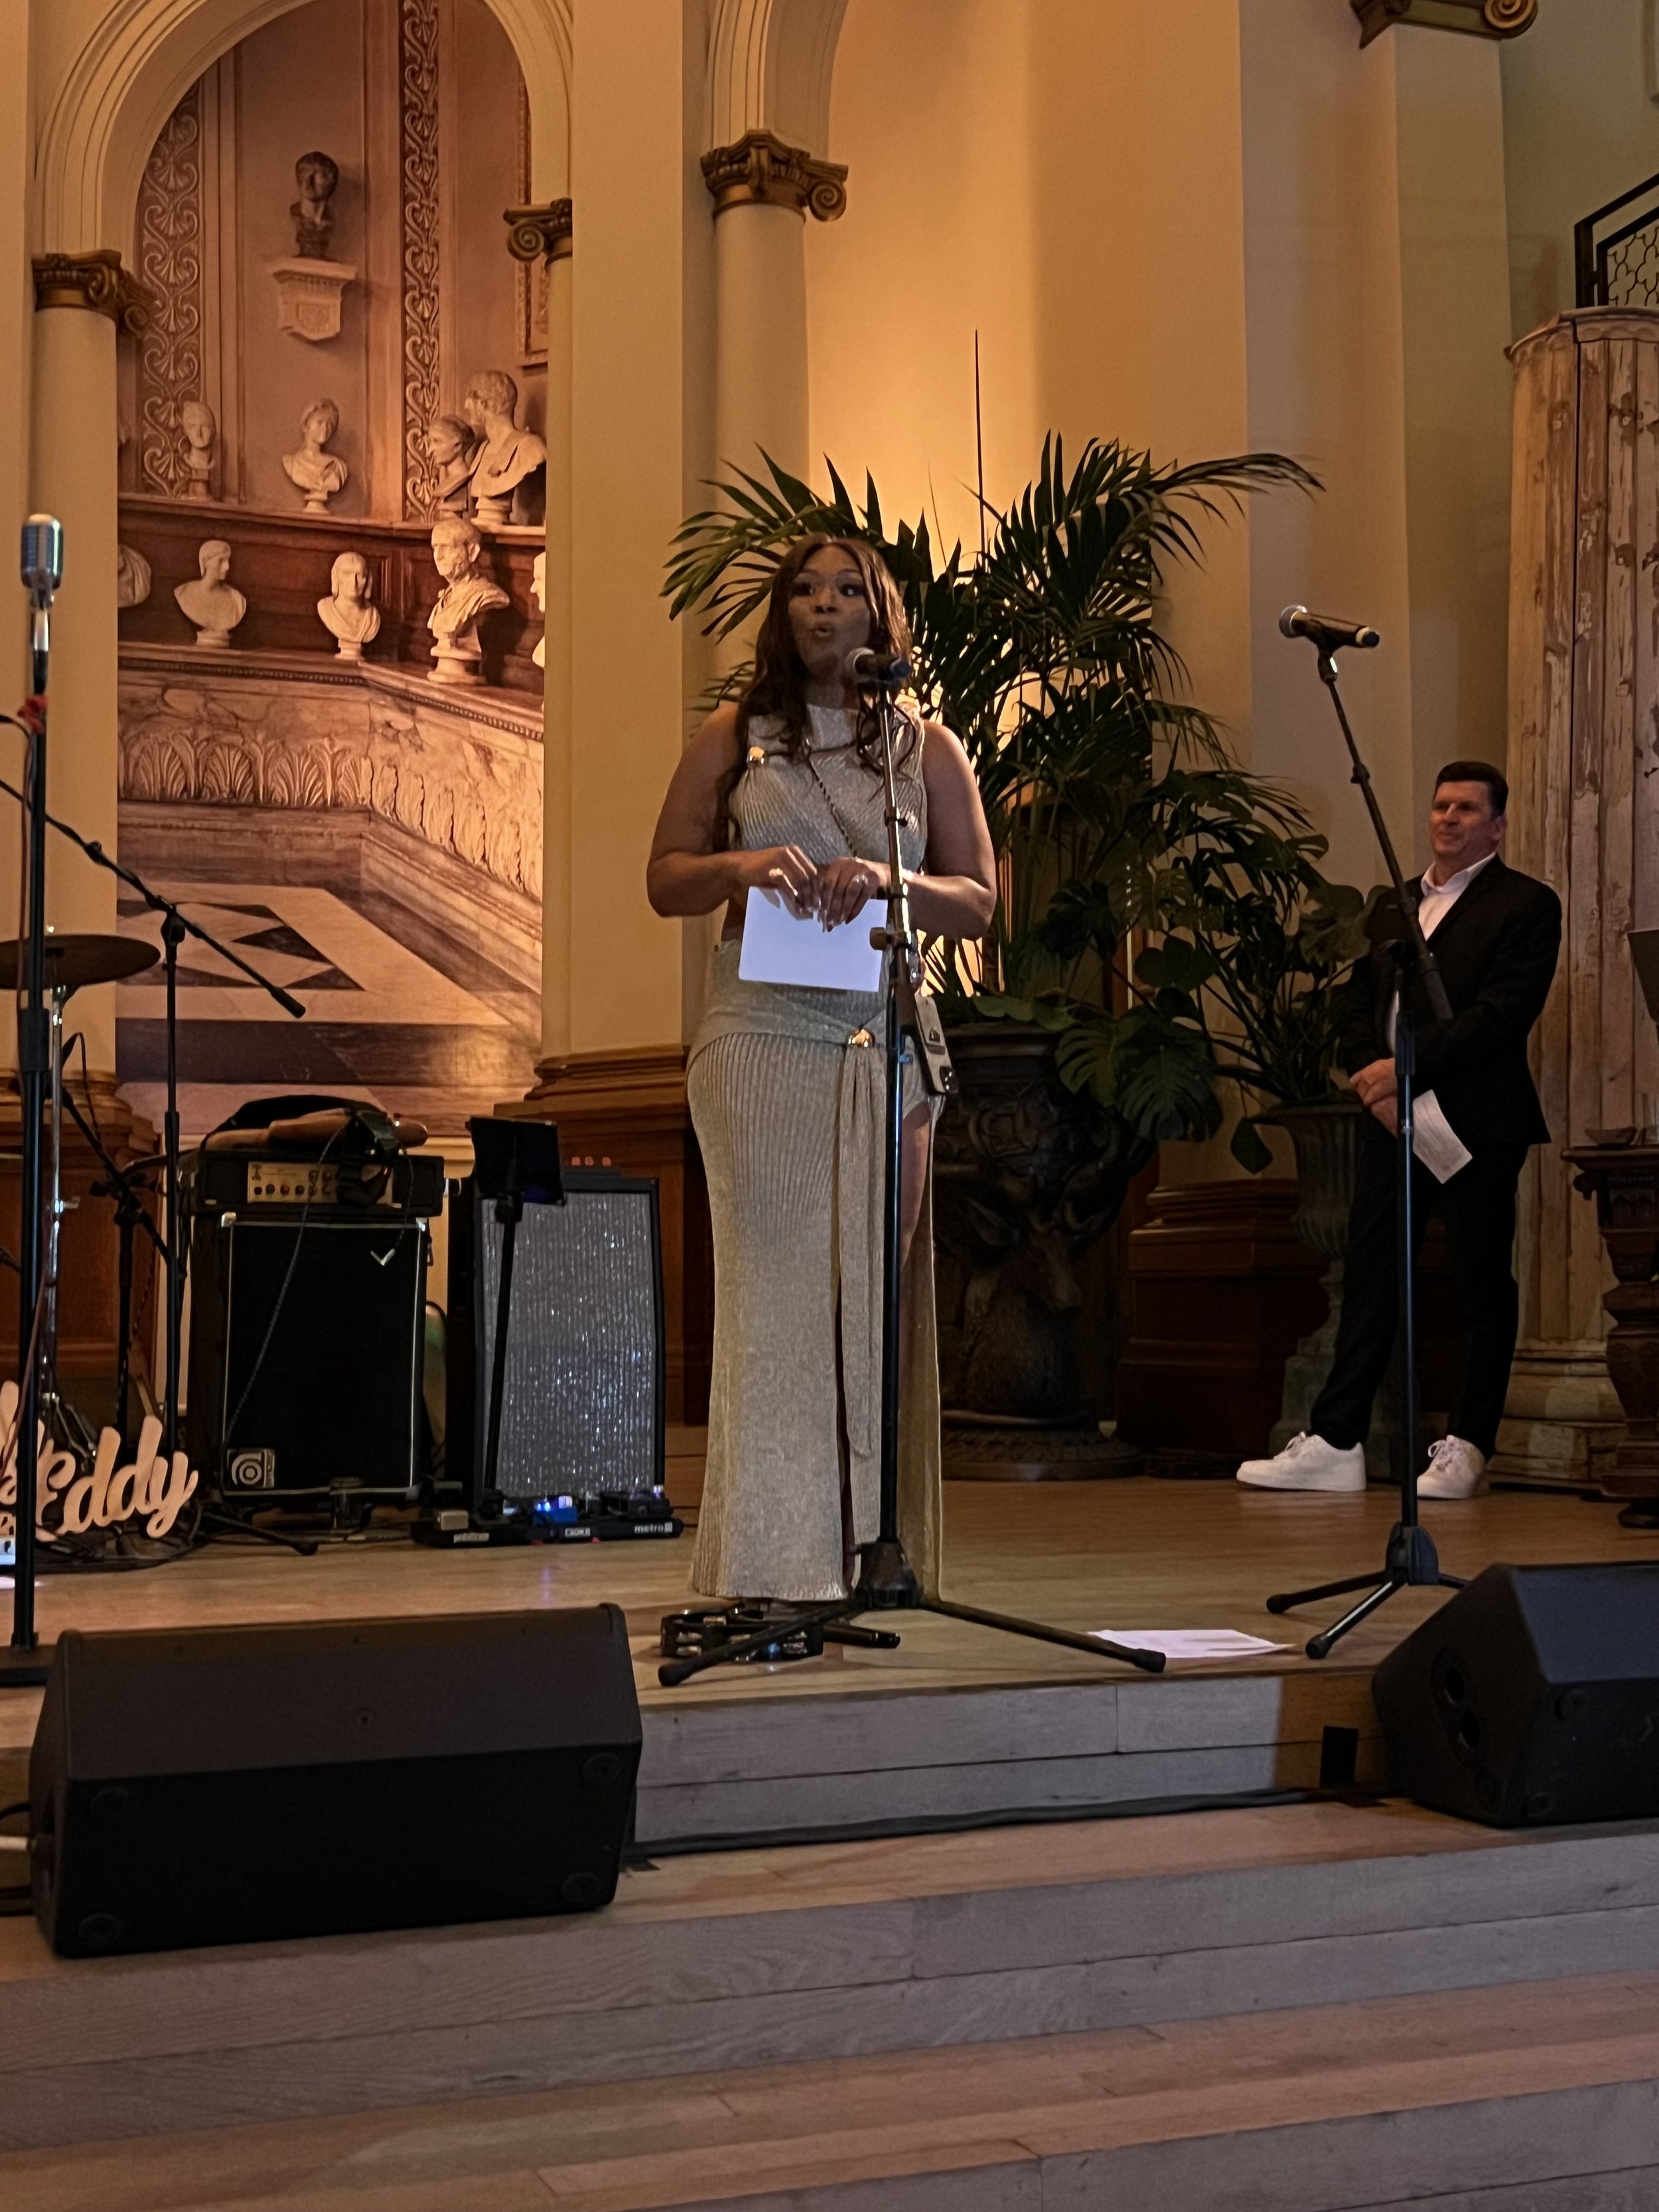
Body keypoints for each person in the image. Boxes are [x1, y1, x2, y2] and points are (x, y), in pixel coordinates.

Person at [648, 538, 996, 1601]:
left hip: (880, 1040)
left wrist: (888, 883)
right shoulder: (735, 736)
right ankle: (764, 1555)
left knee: (868, 1302)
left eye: (847, 589)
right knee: (770, 1295)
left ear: (881, 615)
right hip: (759, 1040)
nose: (823, 605)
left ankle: (859, 1553)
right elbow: (665, 879)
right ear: (781, 614)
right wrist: (745, 866)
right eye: (804, 589)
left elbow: (979, 900)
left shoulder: (927, 747)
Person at [1238, 761, 1561, 1501]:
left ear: (1498, 826)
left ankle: (1468, 1446)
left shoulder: (1525, 905)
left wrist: (1403, 1067)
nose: (1447, 819)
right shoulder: (1393, 904)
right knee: (1372, 1272)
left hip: (1473, 1118)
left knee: (1481, 1280)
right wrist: (1370, 1075)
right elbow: (1357, 1006)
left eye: (1466, 809)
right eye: (1440, 806)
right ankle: (1336, 1439)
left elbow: (1501, 1016)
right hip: (1391, 1117)